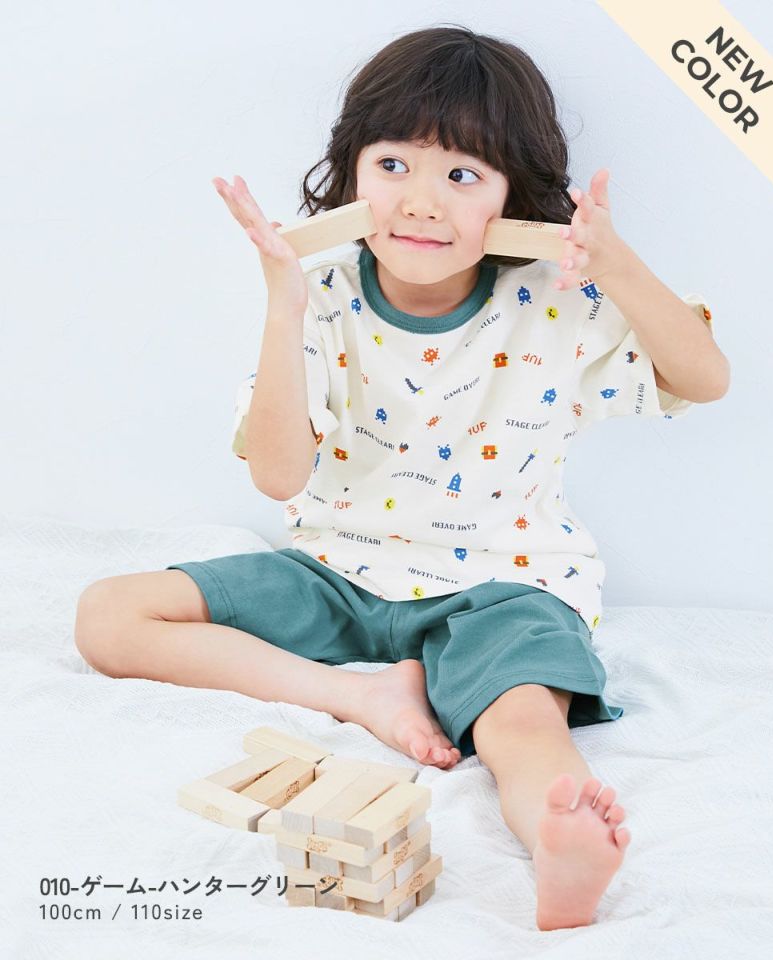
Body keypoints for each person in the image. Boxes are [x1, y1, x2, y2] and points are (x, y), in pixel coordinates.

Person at [74, 25, 729, 931]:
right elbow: (278, 478)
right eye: (392, 165)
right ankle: (365, 694)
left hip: (502, 587)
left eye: (462, 174)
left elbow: (704, 378)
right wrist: (283, 306)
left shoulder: (555, 298)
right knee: (108, 614)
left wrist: (617, 265)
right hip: (336, 575)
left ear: (512, 197)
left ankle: (560, 840)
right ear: (350, 174)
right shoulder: (324, 295)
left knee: (520, 720)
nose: (421, 202)